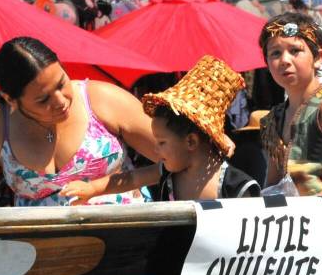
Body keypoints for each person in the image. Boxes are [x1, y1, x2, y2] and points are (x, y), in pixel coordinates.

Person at [0, 36, 159, 207]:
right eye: (43, 99)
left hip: (127, 245)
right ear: (11, 100)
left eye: (61, 83)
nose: (60, 101)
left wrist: (106, 186)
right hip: (40, 254)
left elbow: (181, 159)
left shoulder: (102, 98)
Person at [60, 56, 259, 203]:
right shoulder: (170, 172)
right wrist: (92, 188)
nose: (155, 150)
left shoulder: (235, 186)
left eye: (162, 143)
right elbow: (129, 178)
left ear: (190, 142)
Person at [259, 13, 322, 196]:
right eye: (275, 53)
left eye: (295, 50)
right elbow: (272, 184)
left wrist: (315, 205)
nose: (285, 60)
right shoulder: (274, 119)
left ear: (318, 58)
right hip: (292, 220)